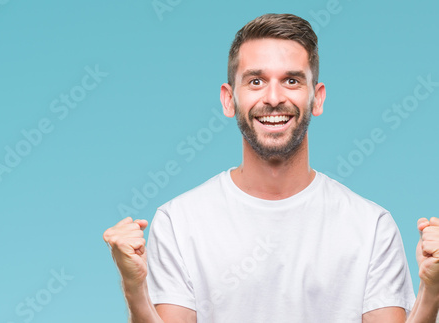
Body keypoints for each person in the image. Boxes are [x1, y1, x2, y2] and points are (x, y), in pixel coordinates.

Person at [103, 13, 439, 323]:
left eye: (292, 81)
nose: (274, 97)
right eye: (255, 81)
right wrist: (135, 289)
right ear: (228, 98)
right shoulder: (179, 221)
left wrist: (432, 292)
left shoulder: (372, 227)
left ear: (317, 98)